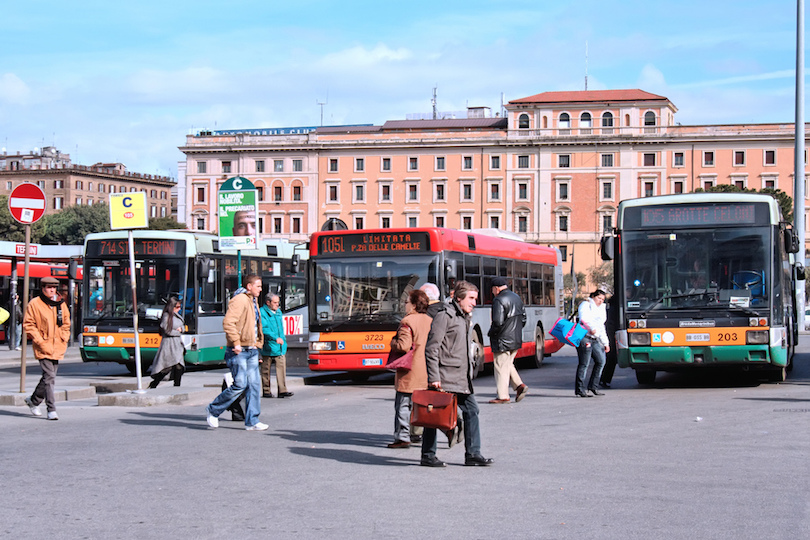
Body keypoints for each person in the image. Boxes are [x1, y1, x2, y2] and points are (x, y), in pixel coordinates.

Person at [421, 280, 493, 468]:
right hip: (445, 376)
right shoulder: (444, 316)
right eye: (471, 298)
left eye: (475, 299)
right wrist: (434, 376)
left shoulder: (464, 316)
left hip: (461, 377)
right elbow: (432, 348)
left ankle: (473, 454)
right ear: (458, 298)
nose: (474, 303)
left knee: (472, 411)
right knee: (434, 415)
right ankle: (428, 455)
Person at [205, 274, 268, 431]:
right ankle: (213, 410)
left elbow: (254, 326)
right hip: (238, 350)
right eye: (258, 286)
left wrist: (257, 344)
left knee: (253, 385)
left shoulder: (252, 300)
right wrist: (236, 342)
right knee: (240, 384)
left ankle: (252, 420)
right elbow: (228, 322)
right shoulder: (240, 300)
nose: (260, 289)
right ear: (249, 286)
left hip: (251, 349)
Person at [387, 289, 431, 449]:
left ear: (413, 304)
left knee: (403, 405)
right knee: (421, 405)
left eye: (406, 302)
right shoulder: (429, 320)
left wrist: (392, 342)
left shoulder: (407, 322)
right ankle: (417, 433)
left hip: (409, 371)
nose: (404, 305)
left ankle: (402, 437)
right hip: (425, 369)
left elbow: (403, 346)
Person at [23, 277, 71, 420]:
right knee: (50, 377)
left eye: (54, 288)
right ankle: (51, 409)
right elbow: (28, 324)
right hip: (43, 346)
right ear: (42, 288)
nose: (52, 290)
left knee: (48, 377)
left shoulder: (60, 303)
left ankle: (33, 401)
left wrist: (64, 337)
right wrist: (39, 340)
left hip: (57, 346)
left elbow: (66, 323)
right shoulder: (35, 304)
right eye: (49, 288)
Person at [487, 276, 528, 404]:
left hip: (502, 339)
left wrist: (491, 333)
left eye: (492, 289)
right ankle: (519, 385)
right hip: (515, 338)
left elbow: (498, 322)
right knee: (508, 364)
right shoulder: (517, 298)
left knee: (500, 366)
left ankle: (503, 396)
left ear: (496, 288)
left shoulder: (498, 300)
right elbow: (524, 319)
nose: (492, 292)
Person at [575, 289, 610, 398]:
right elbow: (584, 318)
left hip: (595, 338)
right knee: (584, 363)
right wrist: (591, 328)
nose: (600, 301)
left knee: (601, 361)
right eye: (599, 298)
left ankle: (593, 386)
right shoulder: (586, 305)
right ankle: (580, 389)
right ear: (593, 296)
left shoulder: (601, 309)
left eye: (602, 299)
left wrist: (605, 343)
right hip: (584, 337)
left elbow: (601, 326)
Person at [147, 297, 186, 389]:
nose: (179, 309)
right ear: (171, 306)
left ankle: (177, 386)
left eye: (180, 306)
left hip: (177, 344)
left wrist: (181, 329)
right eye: (177, 307)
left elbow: (182, 326)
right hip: (169, 344)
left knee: (179, 366)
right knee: (166, 367)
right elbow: (167, 331)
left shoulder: (177, 316)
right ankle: (154, 383)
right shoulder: (166, 316)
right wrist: (178, 332)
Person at [260, 293, 293, 398]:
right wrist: (275, 338)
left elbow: (280, 329)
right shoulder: (262, 312)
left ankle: (282, 390)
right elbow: (264, 329)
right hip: (268, 345)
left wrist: (282, 340)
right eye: (275, 303)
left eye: (278, 302)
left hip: (280, 345)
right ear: (268, 302)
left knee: (281, 368)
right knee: (266, 370)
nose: (277, 305)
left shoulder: (278, 312)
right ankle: (266, 390)